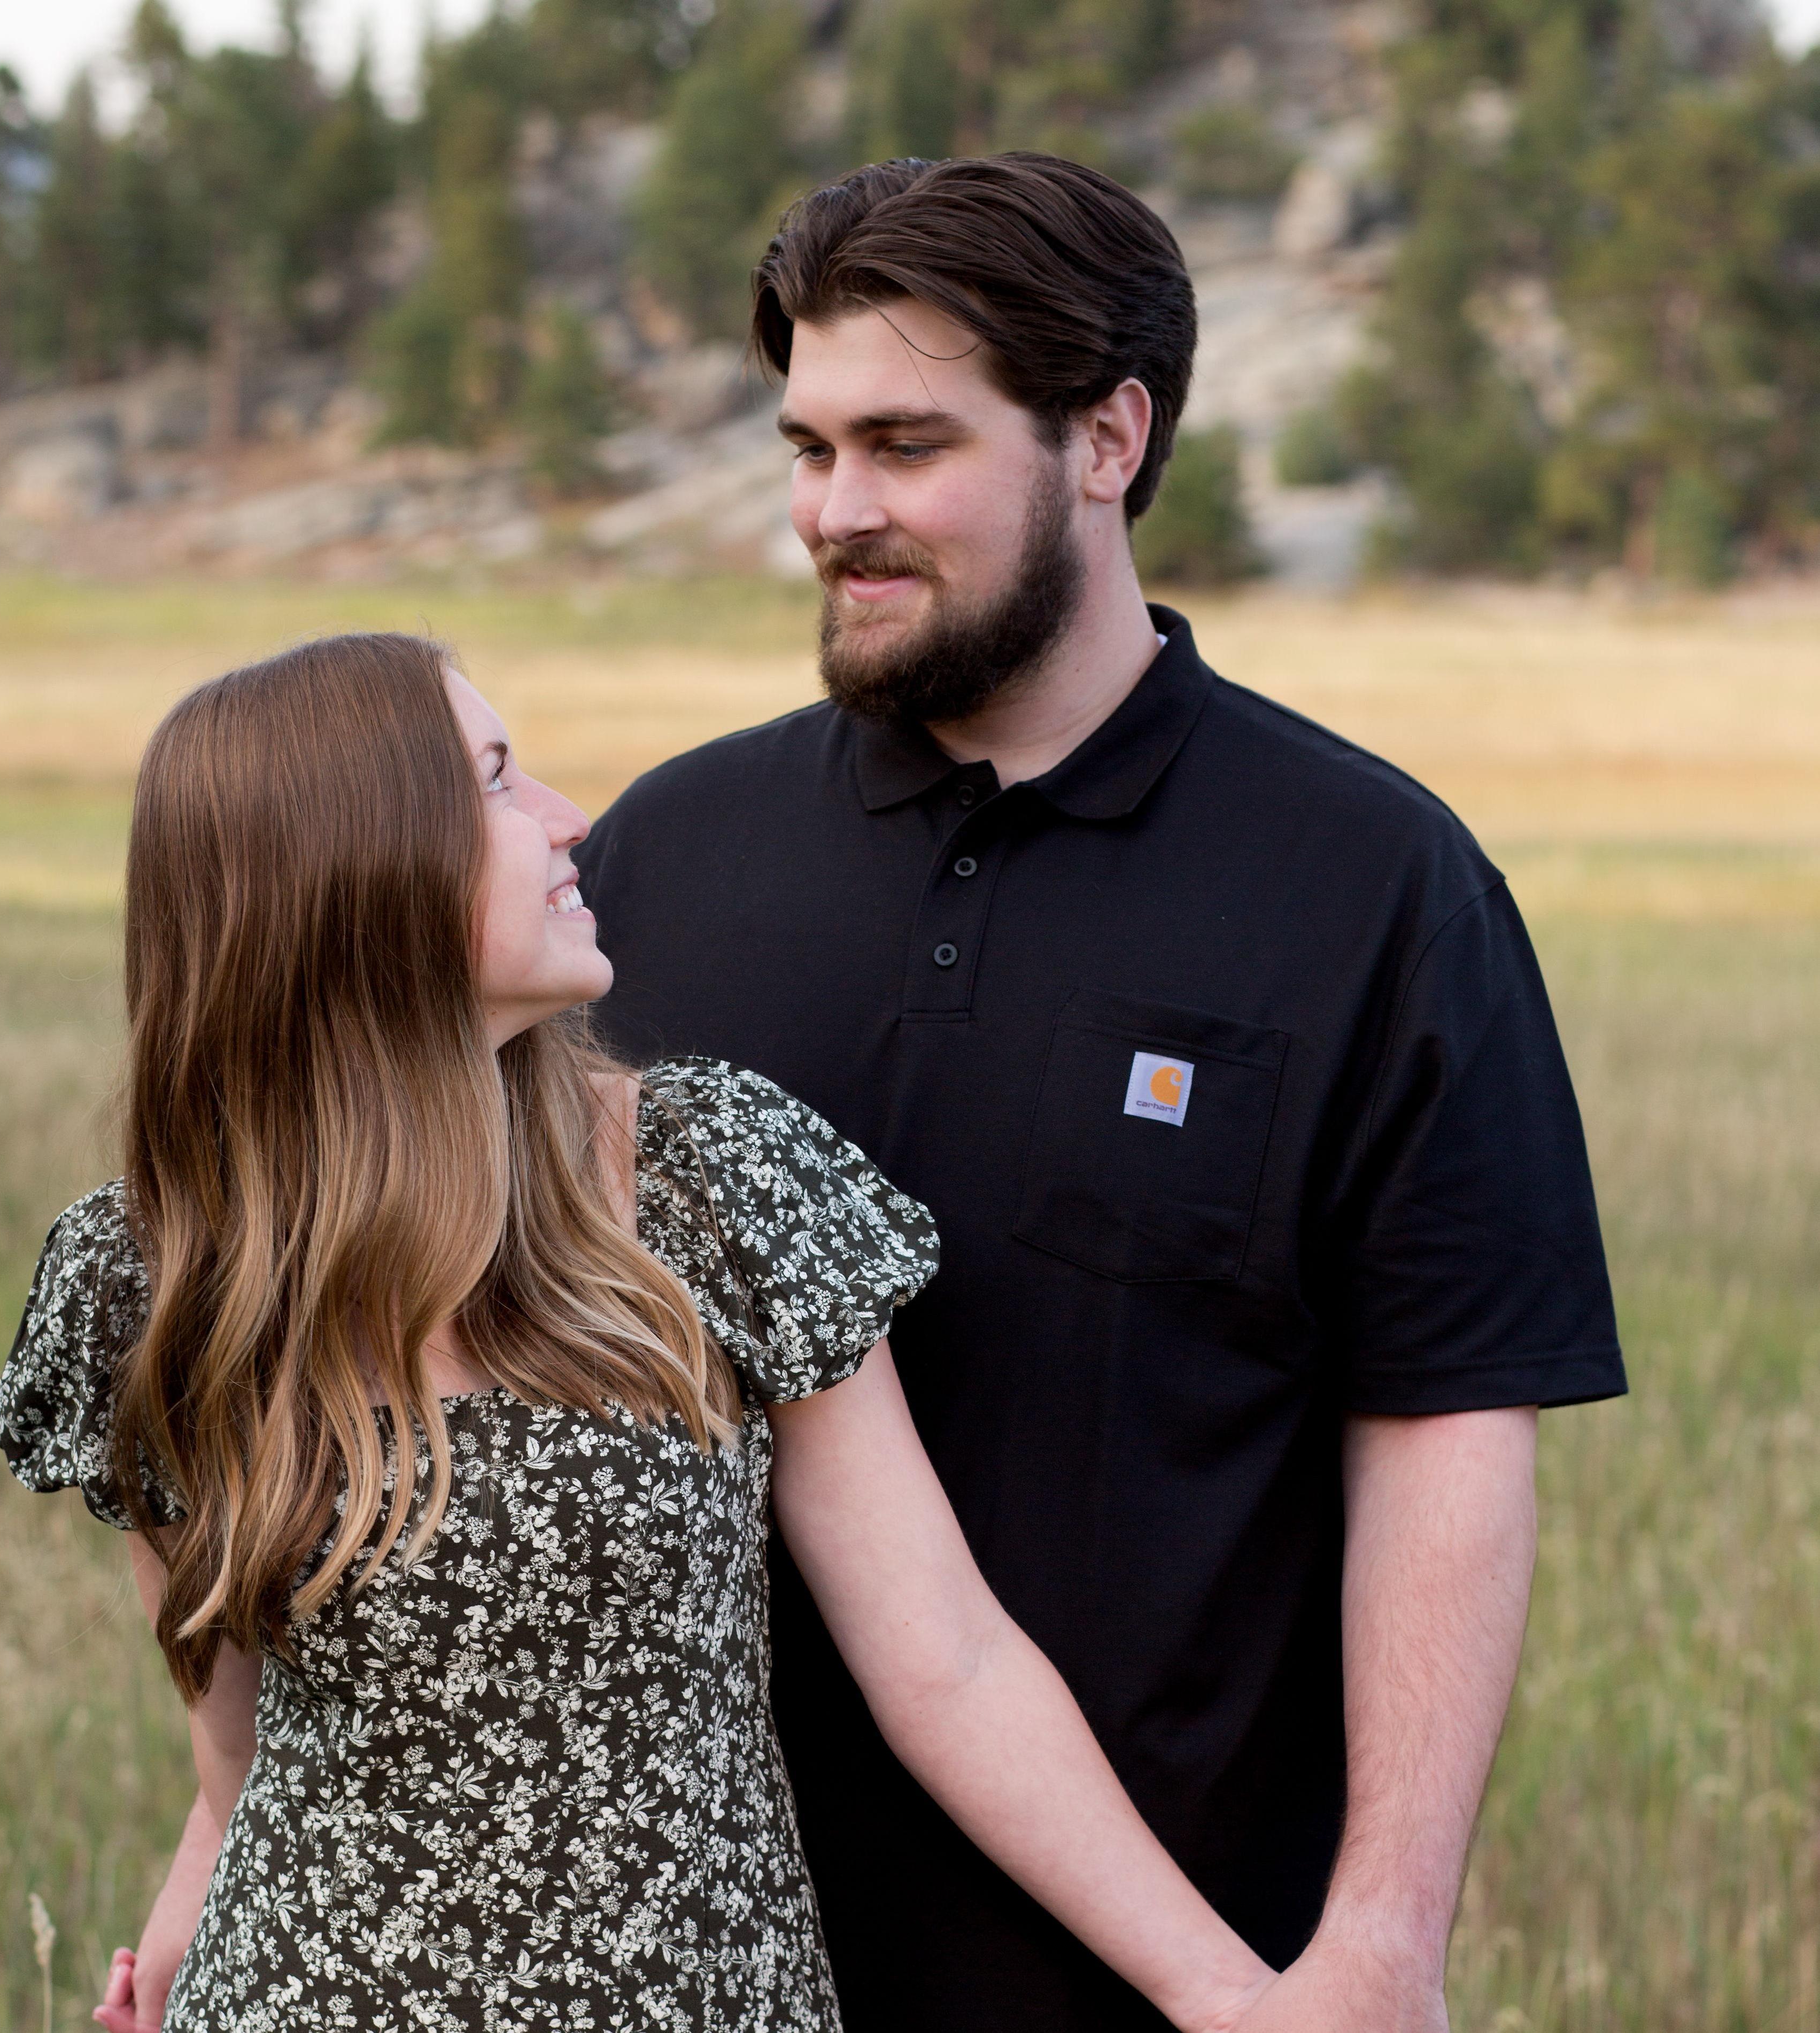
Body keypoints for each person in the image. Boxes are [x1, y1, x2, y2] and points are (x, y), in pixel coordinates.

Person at [574, 154, 1628, 2032]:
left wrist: (1381, 1941)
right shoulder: (660, 862)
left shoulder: (1374, 886)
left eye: (906, 445)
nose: (835, 511)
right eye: (808, 447)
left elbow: (1444, 1428)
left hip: (1178, 1973)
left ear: (1108, 439)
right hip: (687, 1973)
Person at [0, 632, 1288, 2033]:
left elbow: (946, 1657)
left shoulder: (707, 1177)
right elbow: (235, 1742)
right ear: (358, 872)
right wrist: (185, 1921)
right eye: (496, 781)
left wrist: (1229, 1995)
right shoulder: (147, 1279)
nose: (568, 819)